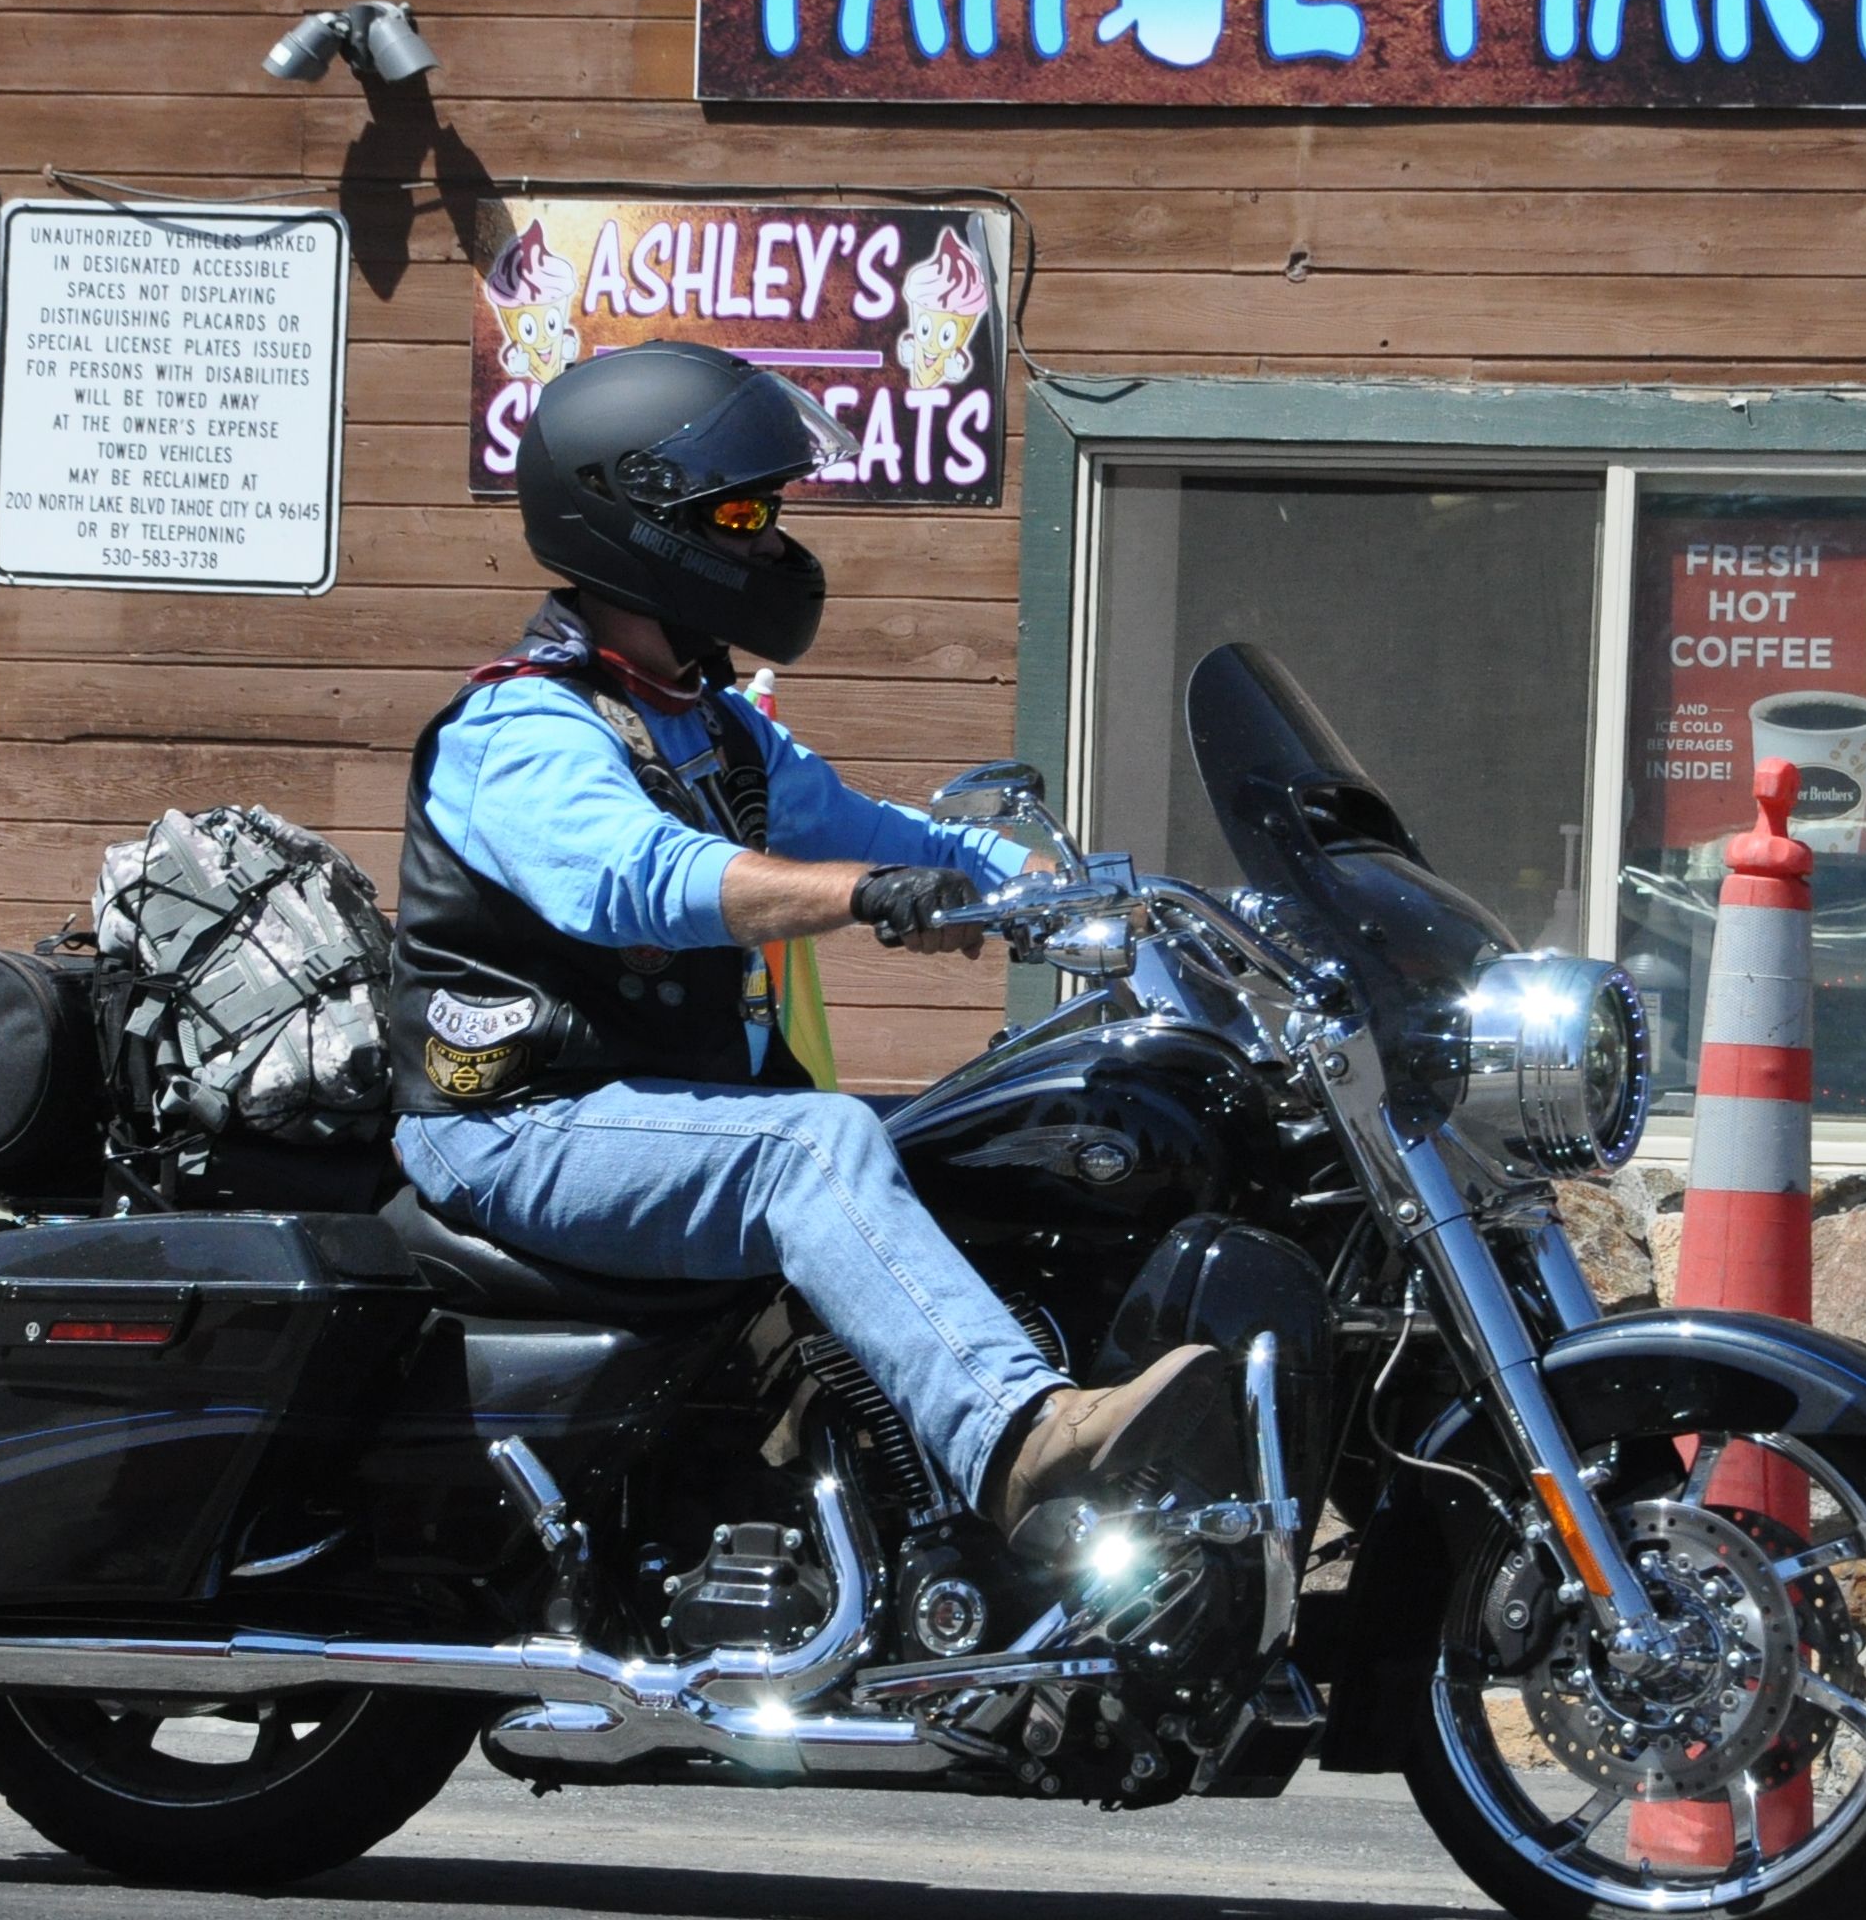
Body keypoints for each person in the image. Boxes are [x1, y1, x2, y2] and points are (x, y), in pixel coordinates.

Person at [390, 340, 1236, 1533]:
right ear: (634, 518)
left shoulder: (709, 725)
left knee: (1005, 1139)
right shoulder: (517, 726)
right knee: (816, 1147)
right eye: (741, 511)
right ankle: (1021, 1441)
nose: (771, 541)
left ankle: (906, 1514)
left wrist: (1090, 890)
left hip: (657, 1104)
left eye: (770, 509)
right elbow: (637, 878)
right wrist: (859, 895)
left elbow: (884, 830)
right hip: (523, 1121)